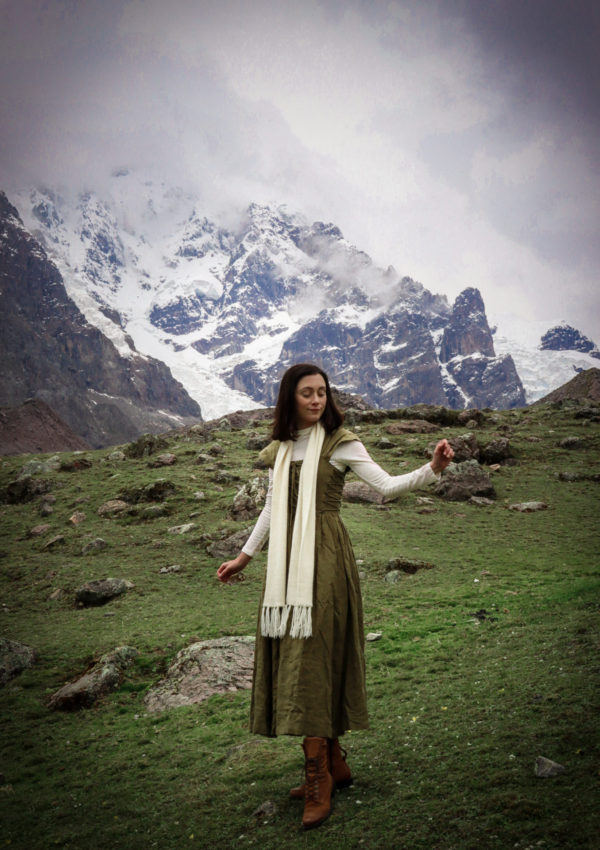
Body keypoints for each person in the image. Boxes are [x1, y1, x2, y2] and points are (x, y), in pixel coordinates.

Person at [217, 363, 454, 829]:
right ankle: (333, 760)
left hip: (324, 561)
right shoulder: (281, 449)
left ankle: (319, 774)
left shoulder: (342, 443)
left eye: (322, 392)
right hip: (286, 566)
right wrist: (245, 556)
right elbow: (271, 508)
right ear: (291, 398)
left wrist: (433, 469)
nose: (316, 400)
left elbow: (385, 486)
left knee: (313, 657)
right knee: (296, 655)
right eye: (307, 393)